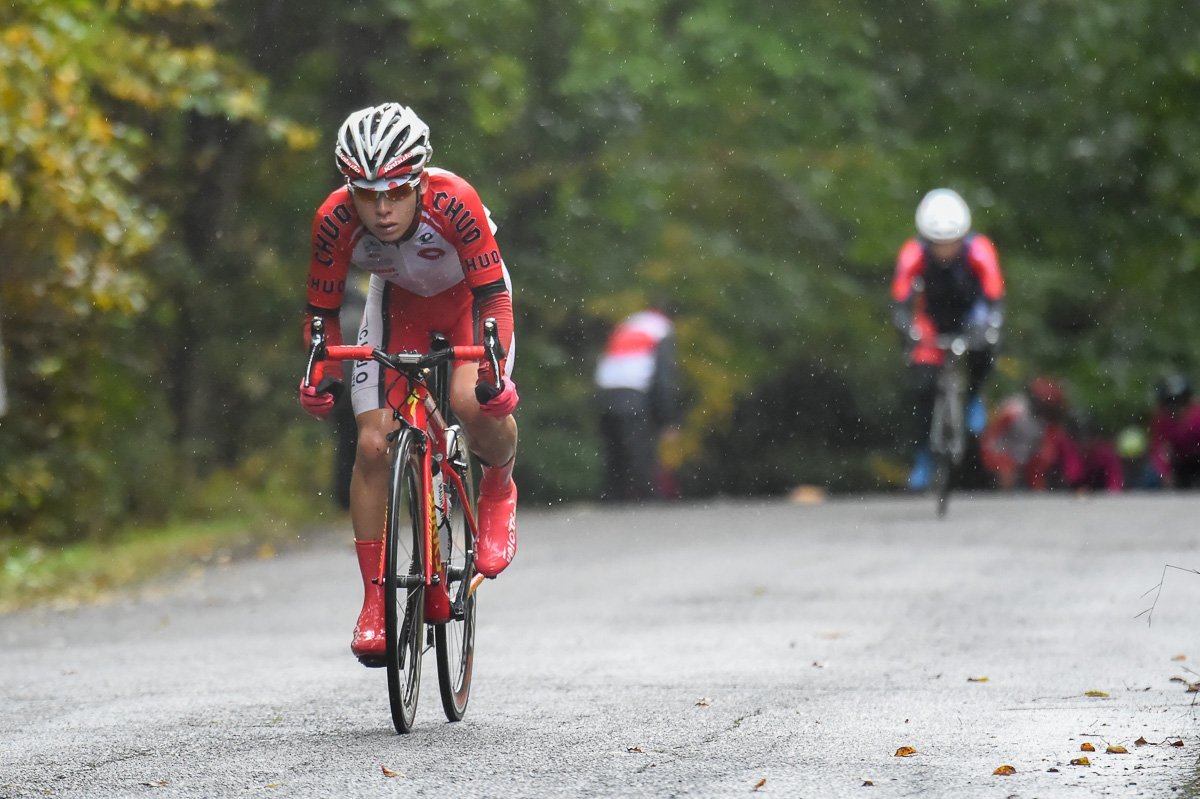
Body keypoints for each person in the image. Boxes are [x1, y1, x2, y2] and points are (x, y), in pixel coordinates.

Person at [298, 103, 519, 666]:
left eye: (396, 191)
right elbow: (321, 313)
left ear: (420, 180)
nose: (382, 208)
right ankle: (376, 602)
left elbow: (492, 294)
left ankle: (498, 485)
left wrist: (494, 373)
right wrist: (320, 371)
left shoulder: (455, 200)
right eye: (366, 194)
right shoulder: (334, 219)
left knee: (471, 401)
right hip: (399, 306)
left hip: (469, 300)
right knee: (373, 444)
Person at [891, 188, 1005, 490]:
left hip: (970, 315)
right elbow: (901, 301)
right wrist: (907, 329)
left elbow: (994, 297)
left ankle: (974, 396)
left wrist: (990, 325)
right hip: (931, 319)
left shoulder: (979, 250)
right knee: (923, 386)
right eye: (938, 244)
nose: (945, 251)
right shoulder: (912, 253)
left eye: (951, 243)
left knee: (986, 348)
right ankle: (923, 457)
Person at [594, 303, 682, 501]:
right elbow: (663, 379)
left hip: (606, 390)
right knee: (640, 452)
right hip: (633, 393)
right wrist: (668, 418)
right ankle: (651, 502)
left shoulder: (630, 322)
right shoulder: (662, 329)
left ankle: (613, 500)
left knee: (615, 453)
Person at [980, 377, 1082, 490]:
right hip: (1004, 453)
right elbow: (991, 436)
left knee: (1043, 460)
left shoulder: (1048, 420)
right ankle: (1004, 498)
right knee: (1006, 472)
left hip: (1028, 455)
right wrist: (996, 457)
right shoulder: (1014, 411)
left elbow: (1049, 447)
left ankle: (1037, 495)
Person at [1148, 373, 1200, 488]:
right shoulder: (1162, 421)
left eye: (1180, 402)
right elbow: (1158, 450)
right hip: (1180, 463)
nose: (1175, 408)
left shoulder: (1198, 416)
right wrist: (1165, 473)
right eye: (1170, 404)